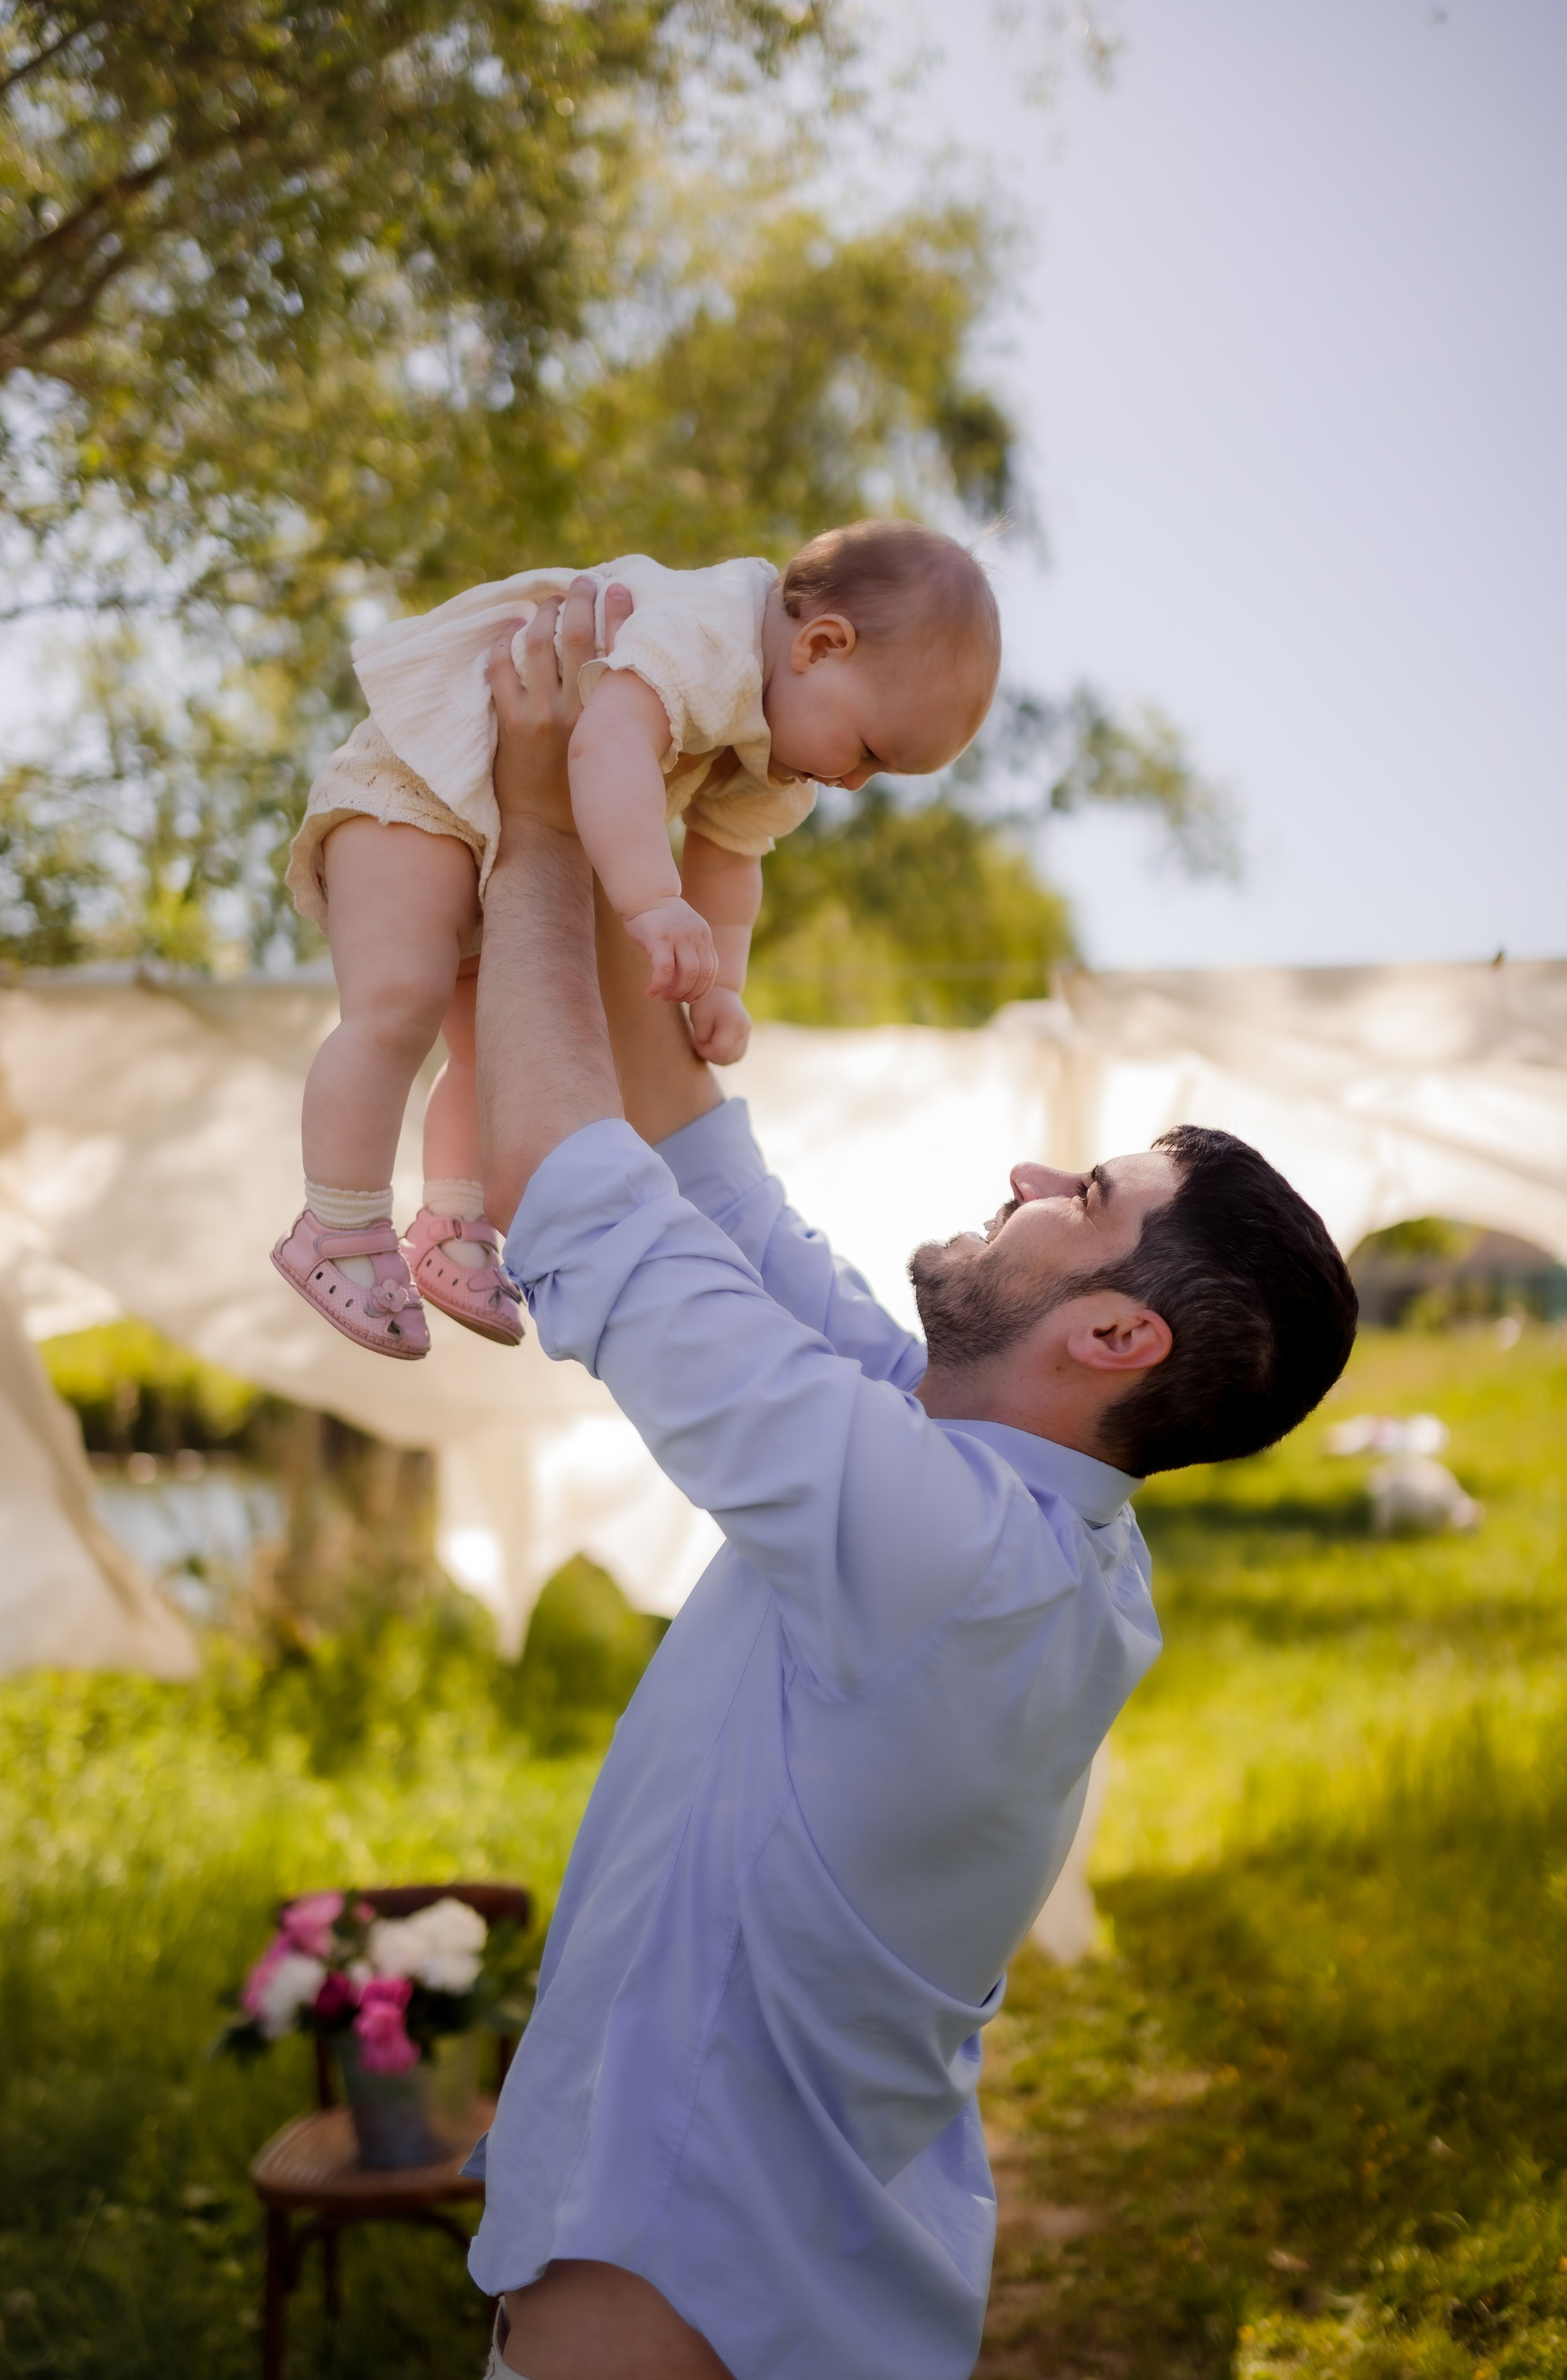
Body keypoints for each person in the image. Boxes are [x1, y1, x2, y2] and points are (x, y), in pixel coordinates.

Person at [462, 584, 1358, 2380]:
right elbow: (709, 1193)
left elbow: (587, 1205)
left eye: (1084, 1198)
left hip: (673, 2263)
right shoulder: (1024, 1522)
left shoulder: (954, 1549)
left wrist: (541, 845)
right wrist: (691, 866)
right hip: (795, 2265)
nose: (1034, 1170)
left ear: (1114, 1341)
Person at [270, 524, 999, 1360]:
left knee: (489, 1054)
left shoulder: (779, 742)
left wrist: (722, 983)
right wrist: (651, 901)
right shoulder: (710, 634)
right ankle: (338, 1224)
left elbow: (731, 858)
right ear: (821, 645)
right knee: (398, 1003)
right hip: (417, 789)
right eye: (870, 751)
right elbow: (605, 739)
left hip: (492, 829)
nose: (855, 783)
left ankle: (452, 1220)